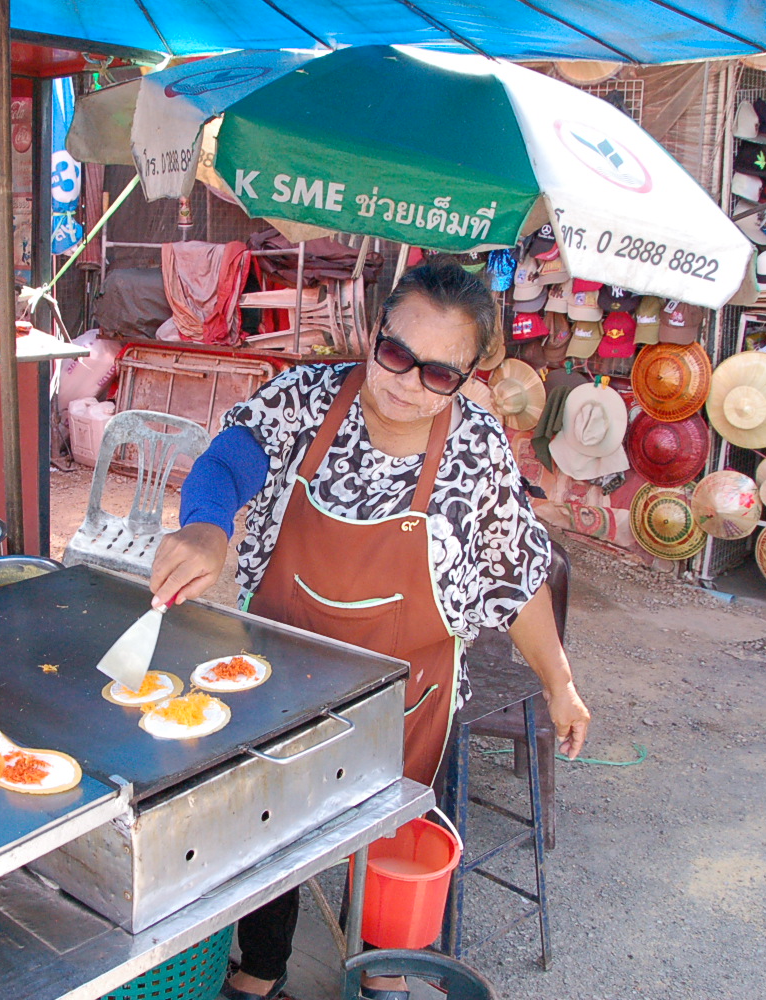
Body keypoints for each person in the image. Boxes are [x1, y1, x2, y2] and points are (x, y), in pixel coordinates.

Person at [150, 260, 591, 1000]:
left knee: (392, 845)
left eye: (438, 373)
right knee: (267, 826)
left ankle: (386, 980)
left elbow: (515, 577)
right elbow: (229, 461)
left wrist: (562, 683)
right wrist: (205, 529)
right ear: (374, 334)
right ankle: (259, 973)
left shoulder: (477, 447)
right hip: (279, 672)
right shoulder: (307, 399)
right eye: (395, 354)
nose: (407, 382)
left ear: (467, 375)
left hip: (409, 697)